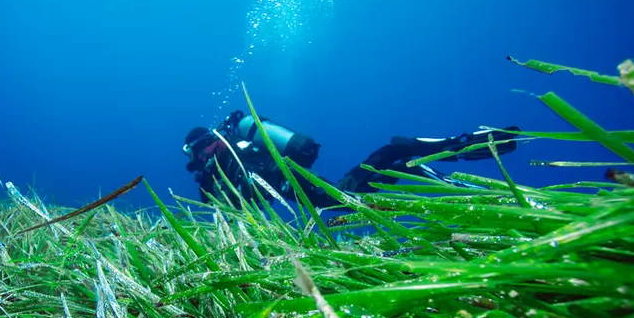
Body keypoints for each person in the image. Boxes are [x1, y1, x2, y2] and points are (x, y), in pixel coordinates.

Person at [183, 110, 520, 209]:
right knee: (379, 169)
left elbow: (237, 204)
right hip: (313, 188)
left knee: (358, 191)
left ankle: (411, 155)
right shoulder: (237, 153)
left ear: (206, 144)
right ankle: (456, 147)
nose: (197, 161)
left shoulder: (231, 157)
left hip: (315, 192)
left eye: (197, 152)